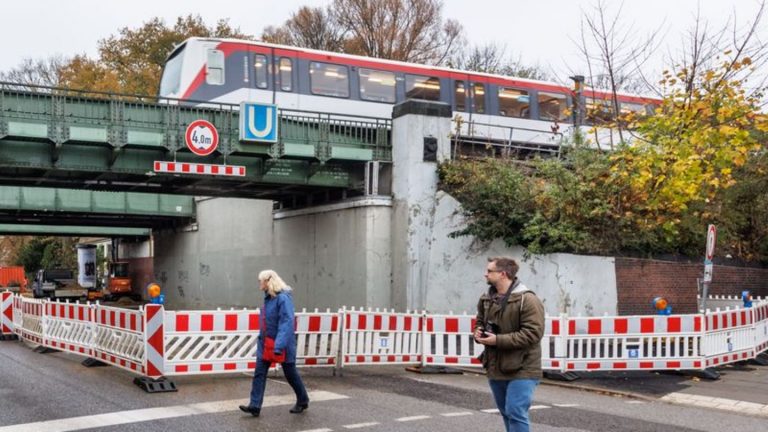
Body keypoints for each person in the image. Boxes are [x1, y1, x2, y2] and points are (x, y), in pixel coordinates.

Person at [474, 257, 545, 432]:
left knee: (515, 410)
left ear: (503, 274)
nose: (486, 274)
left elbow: (533, 333)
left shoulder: (527, 300)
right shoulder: (486, 298)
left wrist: (498, 340)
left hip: (524, 366)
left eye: (490, 271)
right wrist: (477, 332)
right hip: (496, 365)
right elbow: (480, 322)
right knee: (506, 412)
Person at [239, 270, 310, 417]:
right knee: (259, 373)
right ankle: (255, 405)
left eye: (261, 281)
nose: (259, 283)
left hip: (281, 344)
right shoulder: (269, 298)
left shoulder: (283, 298)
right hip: (266, 344)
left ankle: (302, 400)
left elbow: (287, 322)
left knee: (290, 374)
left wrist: (279, 345)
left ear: (268, 282)